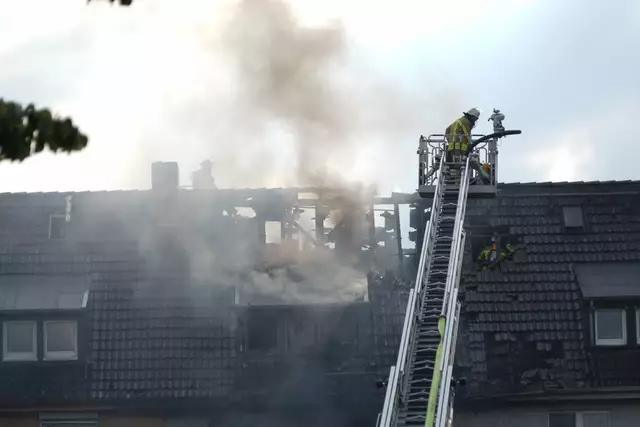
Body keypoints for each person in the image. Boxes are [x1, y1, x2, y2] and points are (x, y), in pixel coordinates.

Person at [444, 108, 491, 184]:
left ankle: (454, 180)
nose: (475, 121)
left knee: (454, 164)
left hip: (451, 148)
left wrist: (451, 142)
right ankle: (459, 182)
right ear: (472, 116)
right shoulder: (466, 122)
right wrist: (470, 146)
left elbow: (447, 131)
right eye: (475, 119)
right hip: (460, 148)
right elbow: (467, 135)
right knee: (460, 165)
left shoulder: (458, 120)